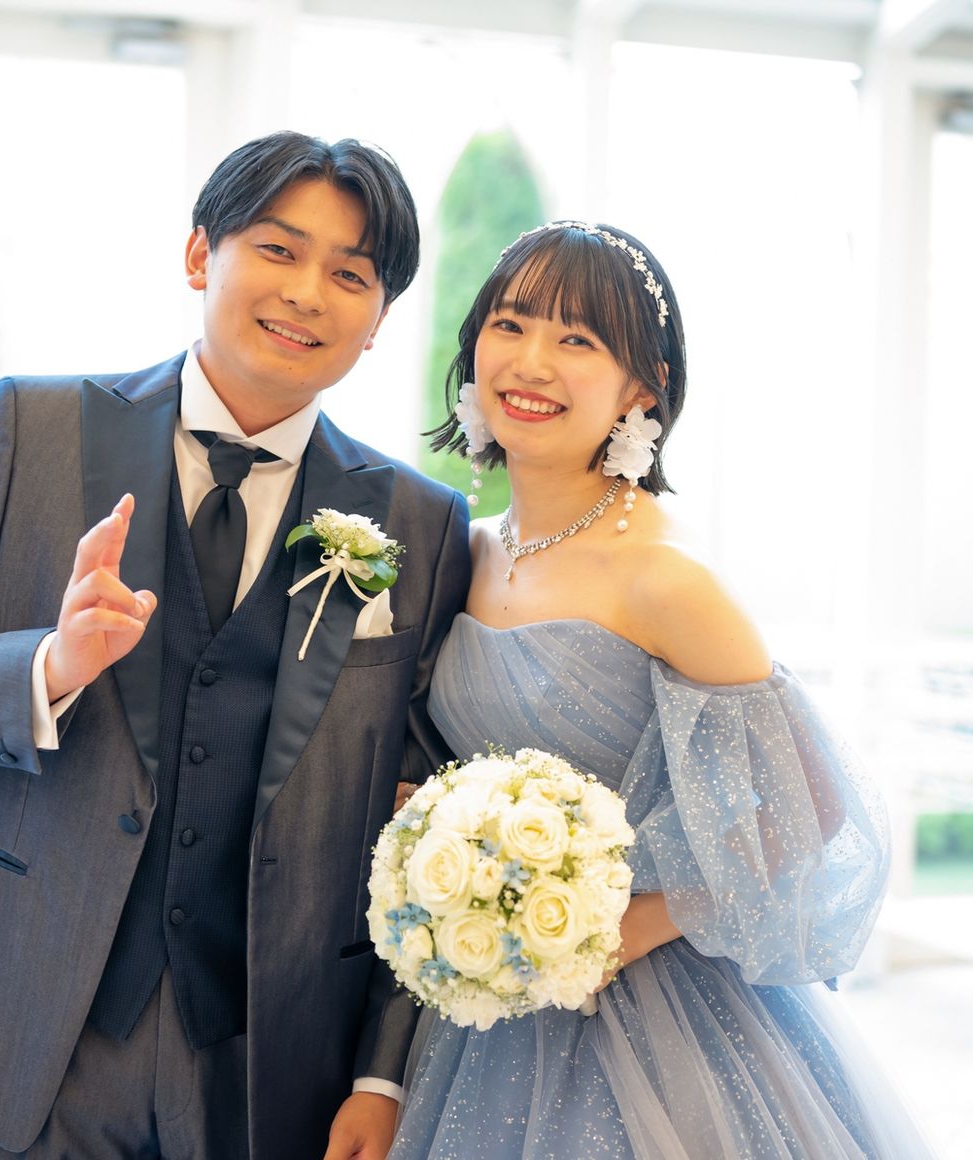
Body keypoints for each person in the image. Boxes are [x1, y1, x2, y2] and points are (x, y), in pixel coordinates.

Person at [0, 131, 470, 1159]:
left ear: (377, 322)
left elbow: (426, 817)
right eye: (278, 249)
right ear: (198, 256)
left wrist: (380, 1069)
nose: (306, 292)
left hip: (272, 1051)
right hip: (34, 1021)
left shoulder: (420, 520)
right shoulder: (36, 427)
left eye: (349, 274)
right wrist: (48, 667)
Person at [387, 221, 935, 1158]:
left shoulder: (665, 577)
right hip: (490, 999)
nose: (531, 361)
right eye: (511, 324)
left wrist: (640, 923)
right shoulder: (467, 551)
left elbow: (811, 805)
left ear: (643, 387)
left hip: (664, 1011)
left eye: (577, 339)